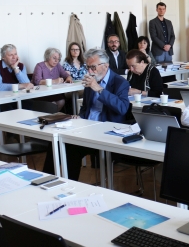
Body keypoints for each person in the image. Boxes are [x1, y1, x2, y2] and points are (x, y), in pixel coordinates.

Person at [43, 49, 130, 181]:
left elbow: (122, 108)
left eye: (93, 67)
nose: (89, 71)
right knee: (57, 140)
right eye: (87, 67)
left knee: (71, 148)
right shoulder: (91, 80)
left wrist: (99, 89)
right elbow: (85, 107)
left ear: (105, 66)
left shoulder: (120, 82)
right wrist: (80, 117)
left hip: (106, 131)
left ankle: (70, 184)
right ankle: (46, 181)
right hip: (87, 128)